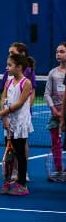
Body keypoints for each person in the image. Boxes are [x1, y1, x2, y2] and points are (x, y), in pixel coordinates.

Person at [0, 53, 33, 196]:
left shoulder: (27, 83)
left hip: (20, 124)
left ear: (19, 67)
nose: (7, 68)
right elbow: (3, 97)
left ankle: (22, 184)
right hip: (9, 123)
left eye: (10, 65)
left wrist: (5, 111)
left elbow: (20, 103)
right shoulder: (8, 81)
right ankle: (7, 182)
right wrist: (4, 116)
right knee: (9, 155)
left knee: (20, 154)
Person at [45, 43, 66, 181]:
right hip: (55, 113)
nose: (58, 54)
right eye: (57, 52)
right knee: (55, 143)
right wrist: (54, 109)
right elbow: (47, 93)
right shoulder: (53, 73)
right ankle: (59, 170)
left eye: (62, 51)